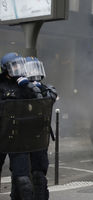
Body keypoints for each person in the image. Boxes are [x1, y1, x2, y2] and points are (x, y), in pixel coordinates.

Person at [0, 52, 36, 200]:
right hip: (1, 135)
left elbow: (37, 105)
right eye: (14, 65)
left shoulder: (24, 85)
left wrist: (30, 87)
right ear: (5, 69)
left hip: (18, 138)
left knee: (23, 180)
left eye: (19, 65)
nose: (18, 68)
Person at [24, 56, 57, 200]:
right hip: (22, 138)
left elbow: (50, 97)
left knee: (38, 174)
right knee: (21, 176)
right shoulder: (19, 89)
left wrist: (35, 88)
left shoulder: (46, 89)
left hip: (39, 137)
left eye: (37, 69)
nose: (34, 74)